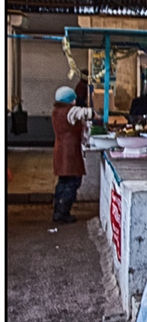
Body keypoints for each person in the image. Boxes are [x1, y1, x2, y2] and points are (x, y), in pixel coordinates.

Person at [51, 86, 93, 223]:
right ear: (70, 100)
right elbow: (86, 113)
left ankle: (57, 210)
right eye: (73, 98)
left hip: (60, 150)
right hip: (70, 152)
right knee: (72, 182)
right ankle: (63, 212)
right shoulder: (70, 111)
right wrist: (96, 113)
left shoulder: (56, 111)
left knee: (63, 181)